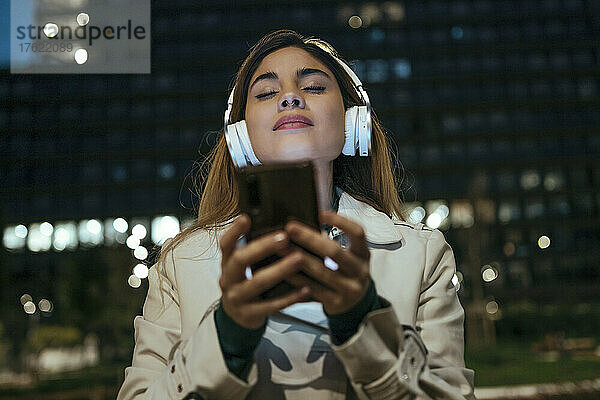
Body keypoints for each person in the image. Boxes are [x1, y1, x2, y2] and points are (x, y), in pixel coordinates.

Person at [117, 29, 475, 400]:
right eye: (267, 93)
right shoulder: (181, 263)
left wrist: (363, 324)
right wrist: (226, 337)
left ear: (355, 123)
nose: (289, 98)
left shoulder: (423, 255)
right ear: (240, 136)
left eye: (315, 87)